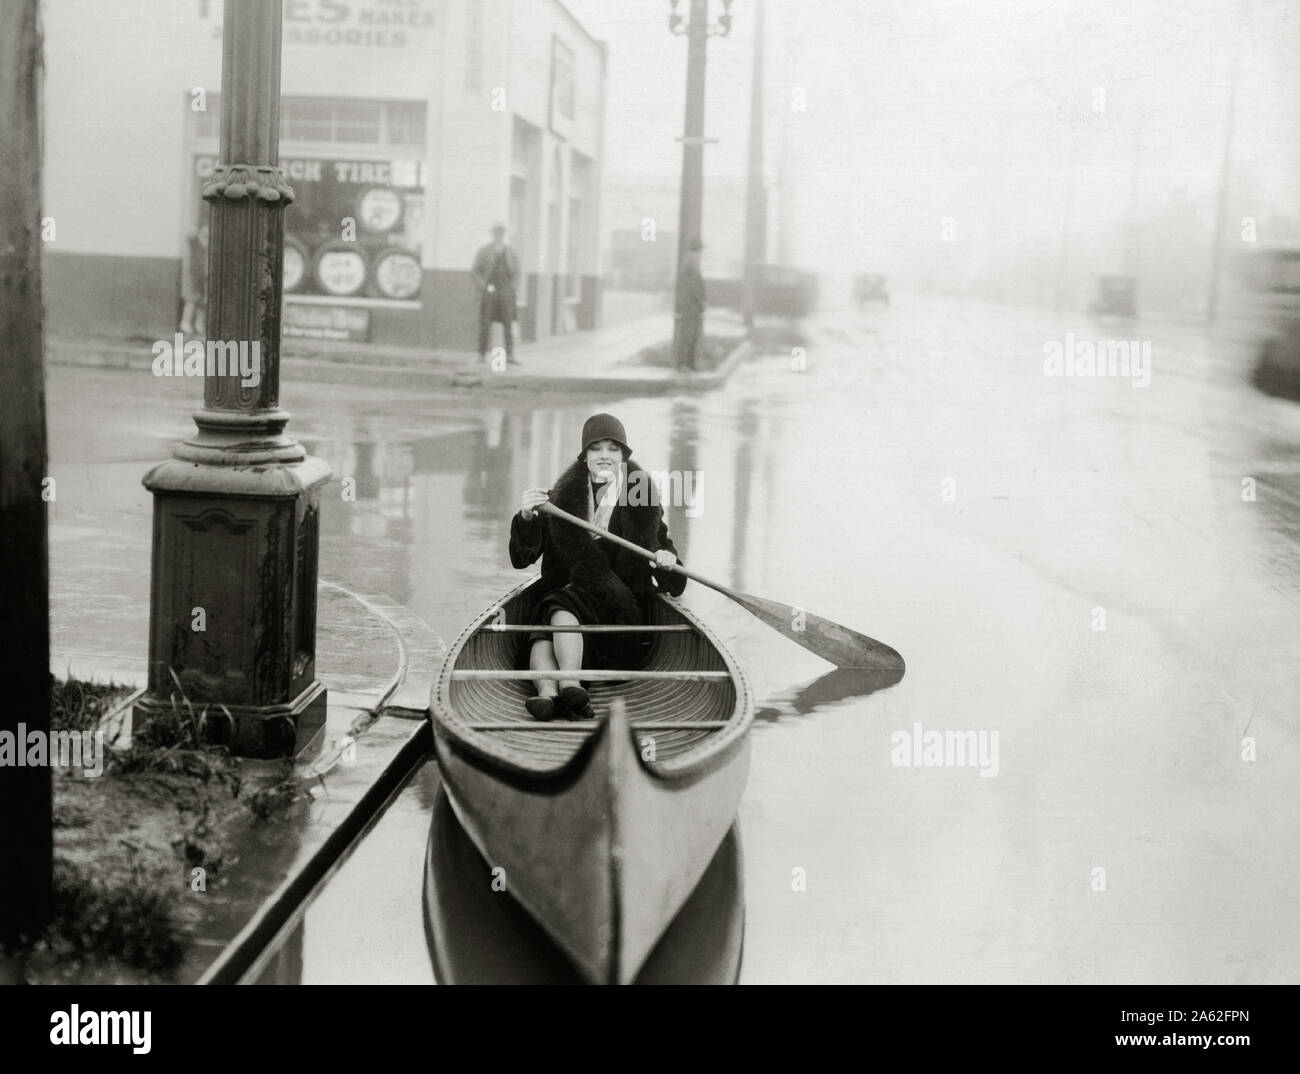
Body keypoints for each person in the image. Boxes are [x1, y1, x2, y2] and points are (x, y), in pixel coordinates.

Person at [510, 413, 686, 720]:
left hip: (617, 618)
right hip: (568, 621)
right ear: (584, 456)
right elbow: (521, 558)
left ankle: (563, 685)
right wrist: (526, 519)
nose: (604, 455)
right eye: (596, 448)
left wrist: (666, 560)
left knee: (556, 607)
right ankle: (553, 694)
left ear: (623, 456)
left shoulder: (641, 499)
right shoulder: (558, 501)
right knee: (551, 615)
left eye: (613, 448)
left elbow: (672, 577)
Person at [472, 222, 520, 366]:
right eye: (496, 233)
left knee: (508, 323)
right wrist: (484, 287)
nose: (499, 235)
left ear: (504, 235)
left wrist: (512, 288)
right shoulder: (484, 251)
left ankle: (510, 355)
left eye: (501, 233)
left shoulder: (510, 251)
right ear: (492, 234)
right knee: (485, 322)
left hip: (505, 291)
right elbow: (475, 271)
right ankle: (481, 355)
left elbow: (517, 272)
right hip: (490, 290)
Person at [674, 237, 707, 372]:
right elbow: (694, 287)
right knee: (687, 336)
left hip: (692, 307)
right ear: (696, 251)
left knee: (692, 336)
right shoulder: (691, 263)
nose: (701, 254)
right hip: (690, 307)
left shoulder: (691, 262)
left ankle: (690, 364)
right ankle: (684, 365)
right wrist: (702, 302)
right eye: (700, 251)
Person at [179, 222, 208, 337]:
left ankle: (199, 325)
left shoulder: (204, 249)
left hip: (200, 278)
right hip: (192, 278)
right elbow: (189, 237)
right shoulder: (194, 246)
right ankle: (186, 323)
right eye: (205, 236)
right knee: (192, 300)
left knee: (201, 302)